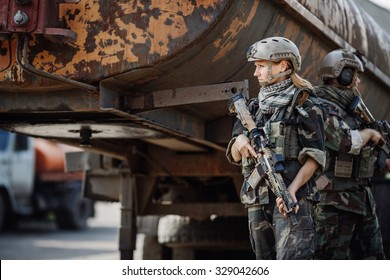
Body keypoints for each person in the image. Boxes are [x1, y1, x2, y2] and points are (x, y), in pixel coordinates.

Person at [226, 36, 326, 260]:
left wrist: (291, 191)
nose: (256, 73)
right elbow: (233, 154)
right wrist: (240, 141)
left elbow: (315, 157)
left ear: (282, 65)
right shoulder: (252, 108)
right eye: (256, 66)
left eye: (261, 66)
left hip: (292, 199)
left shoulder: (306, 105)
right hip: (258, 201)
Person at [312, 49, 388, 259]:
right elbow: (344, 141)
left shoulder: (351, 110)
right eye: (355, 74)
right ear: (342, 74)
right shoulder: (321, 107)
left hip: (360, 199)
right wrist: (370, 133)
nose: (357, 81)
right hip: (333, 203)